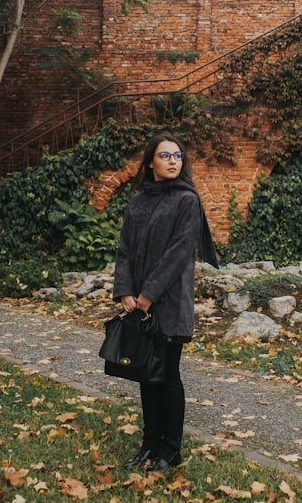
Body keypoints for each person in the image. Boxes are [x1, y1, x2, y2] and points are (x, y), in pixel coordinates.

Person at [112, 131, 219, 474]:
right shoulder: (138, 202)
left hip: (169, 302)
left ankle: (169, 451)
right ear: (150, 162)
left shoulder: (187, 201)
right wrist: (126, 291)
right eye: (165, 155)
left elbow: (178, 253)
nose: (173, 161)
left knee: (167, 376)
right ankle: (149, 445)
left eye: (178, 156)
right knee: (146, 375)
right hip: (139, 303)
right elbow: (125, 249)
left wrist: (148, 295)